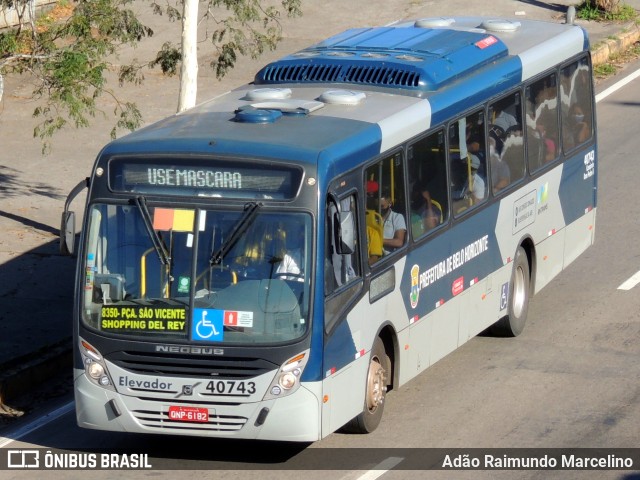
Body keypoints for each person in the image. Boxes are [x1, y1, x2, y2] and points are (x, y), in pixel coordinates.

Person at [380, 189, 406, 253]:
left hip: (388, 257)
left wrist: (379, 241)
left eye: (382, 206)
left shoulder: (397, 217)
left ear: (390, 203)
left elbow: (399, 242)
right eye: (377, 206)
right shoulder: (373, 216)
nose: (379, 209)